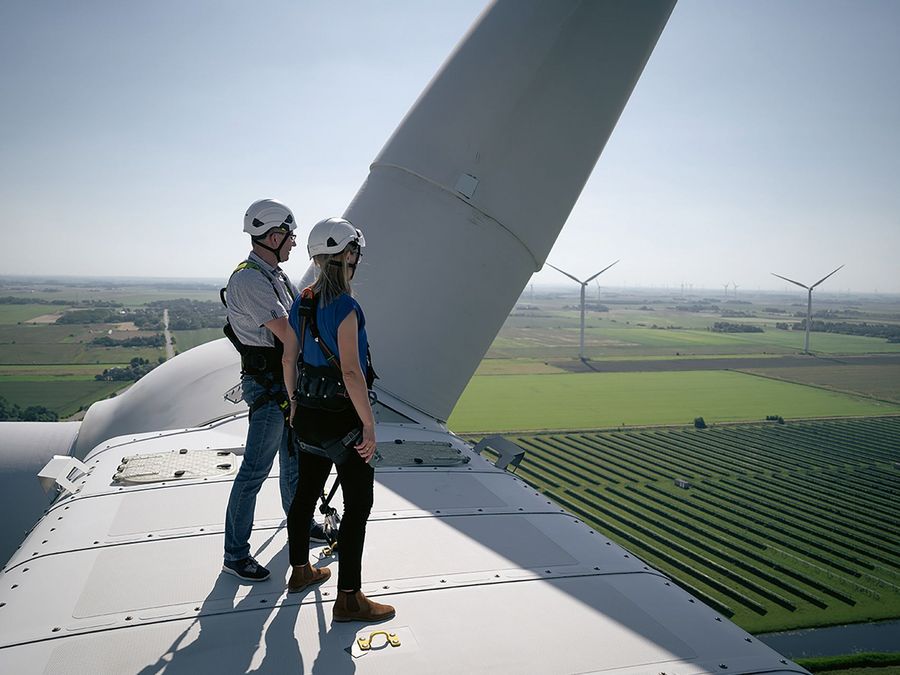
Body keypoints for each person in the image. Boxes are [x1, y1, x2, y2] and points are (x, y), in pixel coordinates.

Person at [282, 217, 395, 623]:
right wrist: (368, 425)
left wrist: (294, 405)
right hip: (342, 420)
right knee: (358, 505)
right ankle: (349, 598)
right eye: (355, 253)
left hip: (309, 416)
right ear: (348, 255)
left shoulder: (302, 302)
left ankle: (299, 572)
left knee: (305, 493)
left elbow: (288, 358)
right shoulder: (346, 307)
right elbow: (351, 372)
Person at [221, 198, 326, 582]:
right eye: (290, 236)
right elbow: (287, 332)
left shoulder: (275, 276)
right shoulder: (249, 278)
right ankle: (235, 554)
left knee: (293, 460)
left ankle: (300, 522)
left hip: (283, 381)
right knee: (254, 470)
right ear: (274, 235)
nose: (294, 243)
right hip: (268, 385)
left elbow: (298, 316)